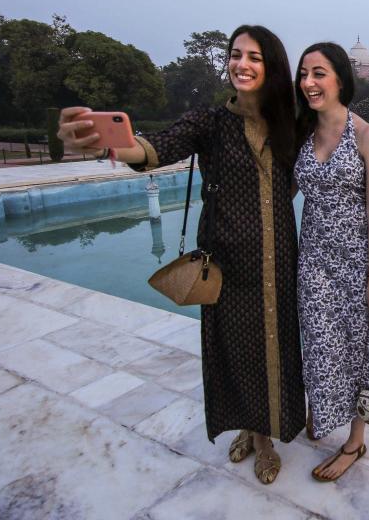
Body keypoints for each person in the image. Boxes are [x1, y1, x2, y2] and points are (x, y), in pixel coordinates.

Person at [56, 25, 305, 485]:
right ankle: (257, 435)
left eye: (254, 57)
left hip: (279, 260)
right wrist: (111, 143)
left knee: (278, 346)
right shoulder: (209, 122)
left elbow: (312, 160)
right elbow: (155, 149)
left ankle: (267, 430)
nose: (242, 64)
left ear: (271, 67)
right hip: (227, 262)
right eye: (235, 54)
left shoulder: (291, 123)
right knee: (236, 349)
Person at [293, 42, 369, 482]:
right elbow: (288, 193)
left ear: (340, 78)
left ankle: (354, 442)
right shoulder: (302, 133)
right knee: (321, 343)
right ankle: (325, 408)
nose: (309, 83)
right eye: (304, 74)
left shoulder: (367, 136)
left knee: (360, 350)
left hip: (359, 263)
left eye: (318, 73)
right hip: (314, 260)